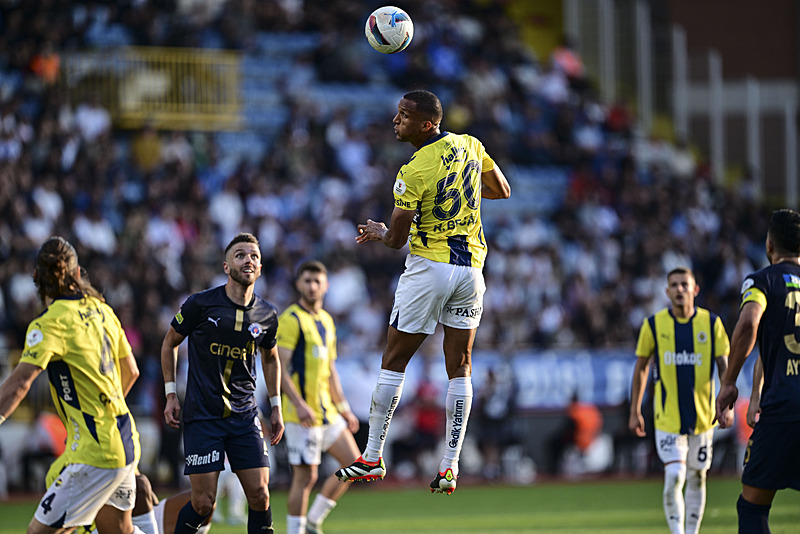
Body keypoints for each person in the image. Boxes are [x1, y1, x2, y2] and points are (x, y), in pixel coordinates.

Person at [335, 89, 511, 495]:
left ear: (427, 124)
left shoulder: (413, 170)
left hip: (429, 269)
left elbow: (396, 240)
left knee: (394, 359)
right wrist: (459, 185)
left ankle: (373, 455)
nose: (396, 120)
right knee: (461, 365)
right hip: (471, 271)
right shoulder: (471, 145)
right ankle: (450, 465)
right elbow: (502, 190)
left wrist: (381, 231)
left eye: (404, 115)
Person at [0, 236, 144, 533]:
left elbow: (19, 384)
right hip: (125, 438)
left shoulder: (50, 323)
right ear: (78, 274)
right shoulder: (102, 309)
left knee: (39, 532)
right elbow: (131, 372)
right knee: (118, 530)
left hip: (97, 451)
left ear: (36, 280)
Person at [161, 232, 284, 534]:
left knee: (260, 495)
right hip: (203, 416)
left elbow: (270, 358)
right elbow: (169, 344)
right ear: (227, 266)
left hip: (244, 416)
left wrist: (277, 405)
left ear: (260, 267)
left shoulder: (266, 314)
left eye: (254, 256)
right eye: (240, 255)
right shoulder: (200, 305)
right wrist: (170, 394)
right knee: (203, 503)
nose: (248, 260)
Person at [714, 208, 800, 533]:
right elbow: (774, 341)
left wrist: (728, 382)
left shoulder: (762, 280)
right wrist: (756, 394)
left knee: (752, 506)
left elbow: (750, 323)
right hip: (779, 401)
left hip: (783, 410)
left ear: (769, 245)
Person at [629, 266, 732, 534]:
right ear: (667, 291)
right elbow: (641, 367)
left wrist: (727, 405)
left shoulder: (711, 324)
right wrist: (635, 410)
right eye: (674, 285)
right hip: (668, 418)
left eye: (684, 285)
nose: (679, 290)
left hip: (703, 417)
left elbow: (725, 368)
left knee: (697, 478)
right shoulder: (653, 325)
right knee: (675, 476)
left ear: (695, 290)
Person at [277, 260, 361, 534]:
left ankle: (314, 520)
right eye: (307, 281)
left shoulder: (326, 320)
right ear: (298, 284)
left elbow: (330, 370)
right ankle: (296, 531)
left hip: (327, 412)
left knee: (356, 463)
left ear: (325, 285)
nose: (312, 286)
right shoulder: (291, 320)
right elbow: (278, 369)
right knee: (305, 477)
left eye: (317, 281)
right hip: (300, 415)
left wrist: (344, 408)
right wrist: (299, 405)